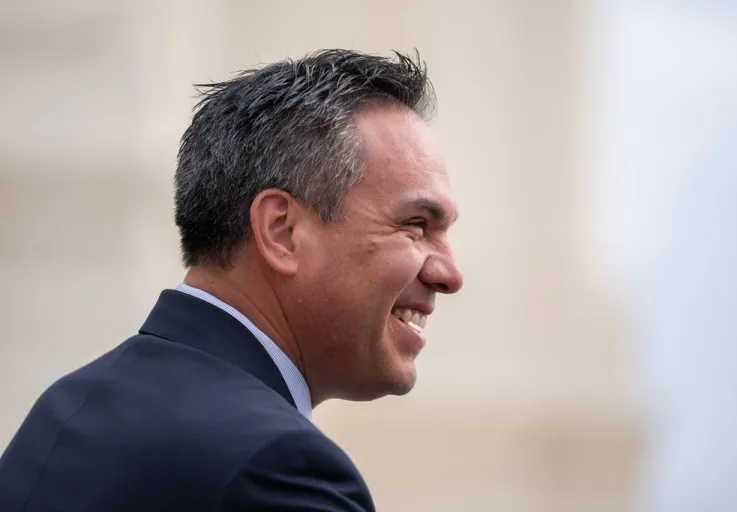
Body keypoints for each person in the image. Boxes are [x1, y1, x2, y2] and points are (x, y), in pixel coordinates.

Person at [0, 49, 463, 511]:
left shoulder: (67, 409)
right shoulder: (278, 467)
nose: (450, 274)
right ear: (281, 231)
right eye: (416, 225)